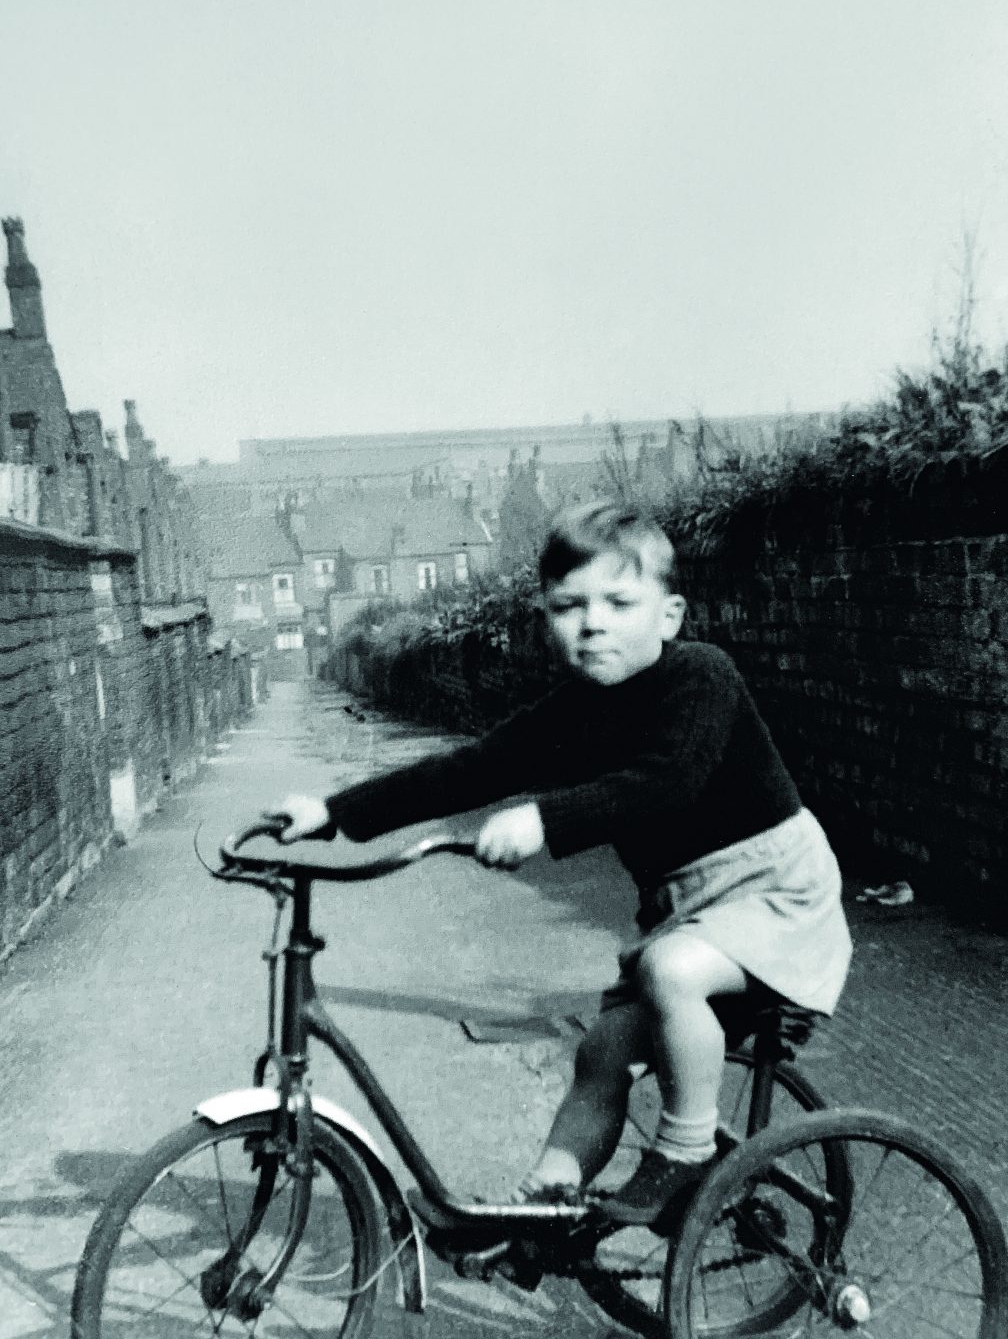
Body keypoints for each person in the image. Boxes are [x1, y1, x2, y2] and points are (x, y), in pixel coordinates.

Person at [275, 501, 852, 1223]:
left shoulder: (702, 676)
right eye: (567, 606)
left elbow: (669, 779)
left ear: (670, 615)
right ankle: (542, 1206)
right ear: (546, 620)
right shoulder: (575, 707)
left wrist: (544, 818)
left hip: (773, 892)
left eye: (618, 601)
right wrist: (336, 813)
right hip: (684, 909)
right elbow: (471, 769)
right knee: (602, 1051)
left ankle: (686, 1150)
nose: (592, 623)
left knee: (670, 971)